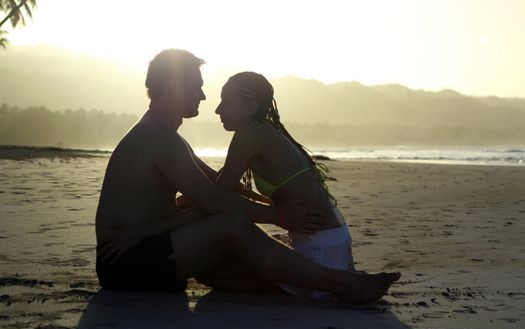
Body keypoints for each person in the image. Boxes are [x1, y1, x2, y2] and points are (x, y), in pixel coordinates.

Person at [95, 48, 400, 302]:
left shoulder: (166, 136)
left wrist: (268, 208)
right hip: (127, 262)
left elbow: (217, 187)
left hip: (146, 249)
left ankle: (314, 280)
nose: (203, 96)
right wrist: (278, 215)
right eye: (196, 86)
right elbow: (216, 201)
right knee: (232, 223)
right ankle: (344, 284)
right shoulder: (159, 138)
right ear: (174, 85)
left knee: (219, 263)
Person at [214, 72, 359, 299]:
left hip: (318, 249)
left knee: (220, 278)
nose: (218, 110)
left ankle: (338, 284)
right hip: (331, 240)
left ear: (250, 107)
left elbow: (218, 196)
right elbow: (224, 183)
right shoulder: (266, 130)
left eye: (226, 102)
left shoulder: (250, 135)